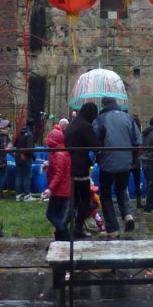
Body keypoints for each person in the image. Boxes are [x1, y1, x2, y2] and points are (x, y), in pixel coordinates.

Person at [92, 96, 140, 237]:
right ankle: (127, 216)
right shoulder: (128, 118)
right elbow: (137, 140)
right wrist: (132, 159)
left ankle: (113, 228)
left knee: (106, 195)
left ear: (103, 104)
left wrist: (98, 155)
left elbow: (95, 141)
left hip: (108, 163)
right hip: (126, 163)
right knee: (121, 189)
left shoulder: (100, 119)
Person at [64, 101, 100, 239]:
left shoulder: (73, 124)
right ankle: (76, 228)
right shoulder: (85, 126)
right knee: (85, 199)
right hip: (80, 167)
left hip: (71, 165)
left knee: (75, 199)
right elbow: (95, 146)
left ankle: (65, 227)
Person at [41, 123, 71, 241]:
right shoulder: (59, 151)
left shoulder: (58, 154)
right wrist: (49, 165)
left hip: (60, 190)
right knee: (58, 216)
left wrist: (50, 189)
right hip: (62, 189)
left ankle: (65, 236)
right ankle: (60, 241)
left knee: (51, 215)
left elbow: (59, 174)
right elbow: (59, 169)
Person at [13, 118, 36, 201]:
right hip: (25, 157)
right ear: (33, 126)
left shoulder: (20, 132)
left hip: (18, 155)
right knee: (27, 176)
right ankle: (27, 195)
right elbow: (29, 149)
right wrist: (33, 156)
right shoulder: (29, 134)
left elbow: (14, 144)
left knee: (18, 175)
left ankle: (18, 195)